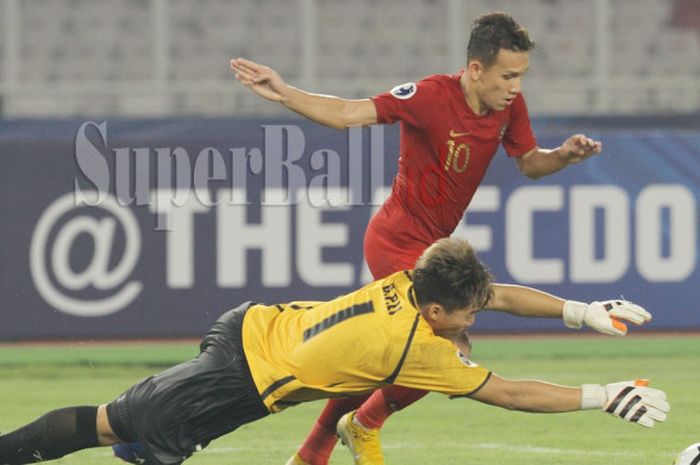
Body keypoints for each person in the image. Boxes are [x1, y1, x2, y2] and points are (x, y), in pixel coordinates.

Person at [228, 11, 608, 465]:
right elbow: (350, 113)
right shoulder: (429, 96)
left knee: (391, 352)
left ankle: (318, 450)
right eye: (508, 75)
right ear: (475, 69)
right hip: (395, 240)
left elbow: (529, 163)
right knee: (444, 349)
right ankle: (352, 431)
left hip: (432, 247)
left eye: (521, 76)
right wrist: (286, 93)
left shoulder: (509, 107)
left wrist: (562, 156)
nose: (515, 86)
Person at [0, 238, 666, 465]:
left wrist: (579, 309)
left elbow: (500, 295)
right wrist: (603, 395)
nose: (475, 317)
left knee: (149, 441)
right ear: (439, 312)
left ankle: (156, 444)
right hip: (237, 379)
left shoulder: (418, 278)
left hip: (250, 326)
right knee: (109, 423)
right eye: (468, 312)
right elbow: (509, 391)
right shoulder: (417, 348)